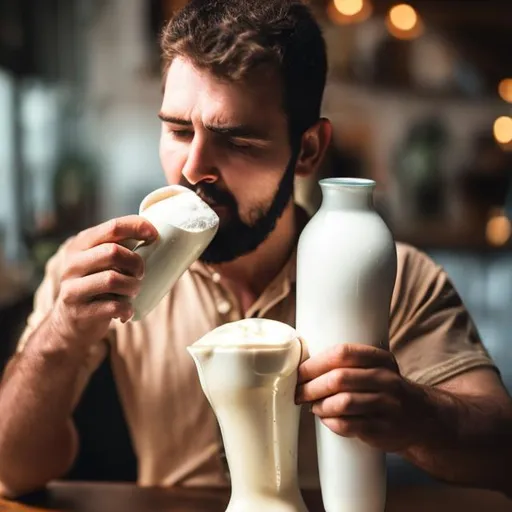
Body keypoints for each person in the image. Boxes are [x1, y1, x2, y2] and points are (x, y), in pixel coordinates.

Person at [1, 0, 511, 499]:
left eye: (237, 141)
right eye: (178, 130)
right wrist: (59, 336)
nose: (193, 167)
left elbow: (502, 456)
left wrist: (419, 414)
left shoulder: (391, 272)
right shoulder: (96, 270)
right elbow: (13, 470)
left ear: (308, 150)